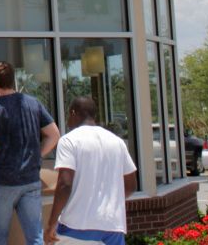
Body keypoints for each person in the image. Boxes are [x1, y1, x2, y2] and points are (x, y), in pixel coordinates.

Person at [0, 60, 61, 245]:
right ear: (13, 80)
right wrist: (38, 154)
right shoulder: (33, 104)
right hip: (31, 179)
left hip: (4, 181)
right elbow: (54, 135)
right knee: (35, 237)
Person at [44, 97, 138, 245]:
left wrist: (51, 223)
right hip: (112, 228)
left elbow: (64, 184)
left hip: (76, 227)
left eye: (69, 114)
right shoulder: (117, 142)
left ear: (74, 113)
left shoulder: (69, 141)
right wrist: (108, 203)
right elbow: (131, 184)